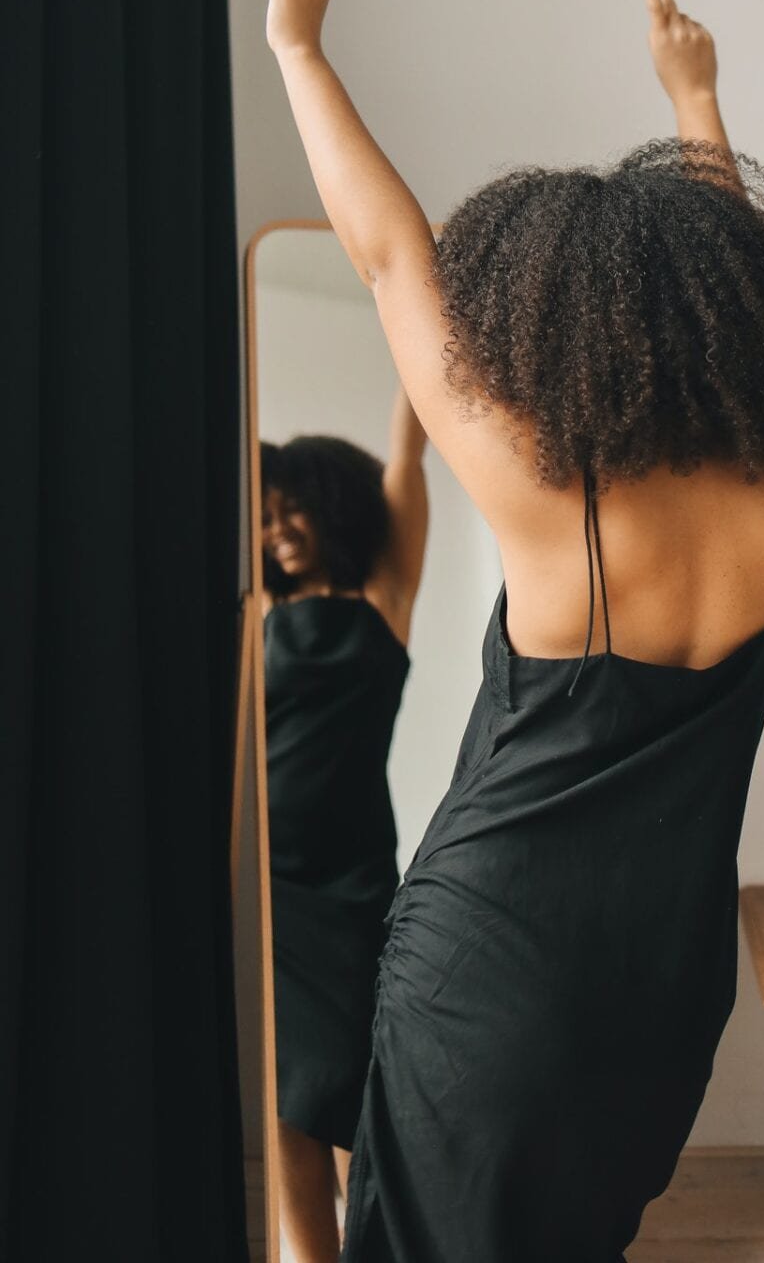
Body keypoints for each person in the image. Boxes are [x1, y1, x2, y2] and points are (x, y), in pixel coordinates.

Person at [242, 0, 764, 1262]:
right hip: (664, 981)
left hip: (496, 967)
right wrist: (699, 102)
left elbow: (394, 254)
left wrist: (300, 50)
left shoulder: (548, 494)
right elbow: (759, 328)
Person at [261, 387, 428, 1263]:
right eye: (267, 515)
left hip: (354, 877)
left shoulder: (382, 600)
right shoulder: (256, 616)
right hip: (266, 883)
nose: (279, 528)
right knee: (292, 1094)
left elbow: (407, 459)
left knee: (357, 1085)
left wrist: (422, 348)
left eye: (294, 509)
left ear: (334, 508)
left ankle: (378, 1242)